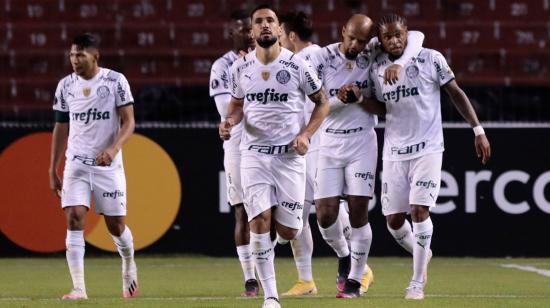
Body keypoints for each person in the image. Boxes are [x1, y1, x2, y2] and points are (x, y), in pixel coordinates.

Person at [359, 14, 491, 300]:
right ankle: (423, 251)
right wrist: (358, 99)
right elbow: (383, 109)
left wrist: (477, 130)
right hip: (394, 150)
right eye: (388, 37)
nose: (394, 40)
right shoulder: (377, 68)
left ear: (407, 32)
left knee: (419, 212)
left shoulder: (431, 58)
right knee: (393, 221)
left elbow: (455, 93)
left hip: (428, 148)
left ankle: (416, 282)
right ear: (381, 41)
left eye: (398, 34)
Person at [219, 5, 329, 308]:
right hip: (253, 156)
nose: (265, 25)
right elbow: (237, 106)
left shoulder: (297, 66)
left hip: (289, 158)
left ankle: (277, 245)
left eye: (270, 21)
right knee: (259, 221)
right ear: (252, 31)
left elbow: (323, 103)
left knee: (289, 229)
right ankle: (270, 296)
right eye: (259, 22)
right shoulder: (239, 69)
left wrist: (306, 133)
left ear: (279, 29)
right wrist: (228, 122)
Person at [309, 14, 425, 298]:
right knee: (325, 215)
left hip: (362, 142)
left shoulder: (372, 51)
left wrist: (399, 63)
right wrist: (342, 98)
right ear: (342, 31)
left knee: (359, 211)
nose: (356, 45)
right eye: (352, 38)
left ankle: (355, 281)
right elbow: (316, 104)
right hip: (329, 144)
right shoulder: (321, 58)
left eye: (362, 40)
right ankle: (344, 254)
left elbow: (418, 37)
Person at [48, 33, 138, 300]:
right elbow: (61, 126)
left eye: (80, 55)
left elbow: (129, 122)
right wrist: (52, 167)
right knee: (74, 217)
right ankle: (79, 288)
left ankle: (128, 262)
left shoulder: (115, 81)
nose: (74, 60)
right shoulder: (65, 86)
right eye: (72, 55)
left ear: (95, 56)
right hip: (76, 163)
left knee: (115, 226)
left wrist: (113, 149)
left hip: (107, 166)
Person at [209, 9, 259, 297]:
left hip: (269, 143)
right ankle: (251, 279)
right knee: (242, 210)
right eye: (240, 28)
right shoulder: (222, 66)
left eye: (249, 26)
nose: (246, 31)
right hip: (238, 145)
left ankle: (268, 267)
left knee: (269, 213)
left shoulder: (270, 59)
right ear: (232, 32)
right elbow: (226, 109)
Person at [277, 10, 321, 296]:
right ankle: (306, 280)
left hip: (321, 146)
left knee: (333, 212)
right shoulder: (317, 56)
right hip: (303, 149)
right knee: (295, 219)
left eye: (280, 34)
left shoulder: (307, 60)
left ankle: (359, 267)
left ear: (291, 36)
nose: (278, 39)